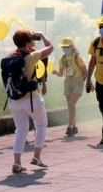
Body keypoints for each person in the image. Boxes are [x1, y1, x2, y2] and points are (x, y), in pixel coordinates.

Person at [7, 30, 54, 173]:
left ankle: (17, 162)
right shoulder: (31, 57)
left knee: (21, 129)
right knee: (41, 124)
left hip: (14, 99)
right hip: (31, 99)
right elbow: (50, 48)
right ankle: (37, 157)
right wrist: (42, 36)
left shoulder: (9, 57)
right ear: (28, 43)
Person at [52, 37, 88, 136]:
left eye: (67, 47)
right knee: (70, 105)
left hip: (78, 81)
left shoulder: (78, 57)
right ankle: (74, 125)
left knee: (72, 103)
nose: (65, 49)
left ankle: (70, 126)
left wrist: (89, 82)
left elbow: (85, 71)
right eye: (63, 47)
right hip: (68, 81)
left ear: (72, 47)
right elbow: (61, 73)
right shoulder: (62, 59)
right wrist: (55, 73)